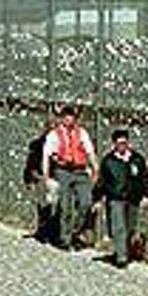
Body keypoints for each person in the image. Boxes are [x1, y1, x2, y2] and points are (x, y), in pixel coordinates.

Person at [41, 103, 99, 249]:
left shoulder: (82, 133)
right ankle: (64, 238)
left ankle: (74, 231)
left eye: (71, 117)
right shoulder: (54, 134)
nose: (68, 120)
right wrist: (46, 175)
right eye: (66, 117)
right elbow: (46, 155)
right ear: (62, 119)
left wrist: (95, 168)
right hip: (63, 170)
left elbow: (90, 151)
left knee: (86, 203)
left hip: (80, 171)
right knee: (65, 206)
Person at [94, 128, 148, 268]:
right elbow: (102, 181)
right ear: (114, 144)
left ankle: (123, 250)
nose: (122, 146)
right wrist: (97, 198)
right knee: (118, 226)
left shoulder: (137, 159)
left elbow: (145, 178)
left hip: (133, 197)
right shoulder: (108, 161)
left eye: (124, 143)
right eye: (119, 143)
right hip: (115, 197)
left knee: (130, 227)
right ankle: (121, 257)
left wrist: (146, 195)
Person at [22, 106, 59, 244]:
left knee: (53, 205)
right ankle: (44, 231)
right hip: (42, 178)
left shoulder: (59, 144)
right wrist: (30, 178)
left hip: (56, 178)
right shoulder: (38, 144)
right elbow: (31, 163)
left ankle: (50, 231)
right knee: (44, 206)